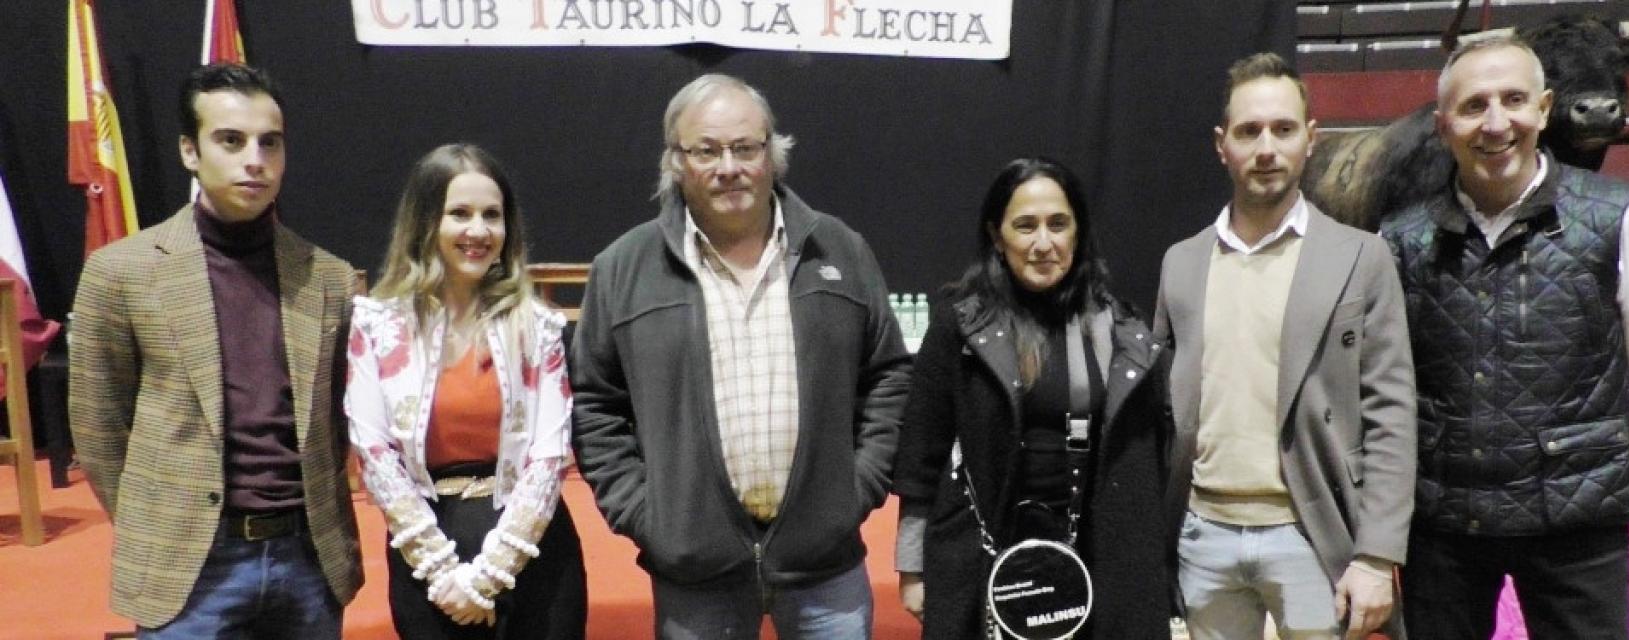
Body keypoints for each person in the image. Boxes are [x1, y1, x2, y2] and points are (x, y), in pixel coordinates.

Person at [569, 73, 911, 639]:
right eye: (706, 150)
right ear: (677, 162)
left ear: (772, 153)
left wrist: (855, 490)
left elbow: (888, 377)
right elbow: (594, 403)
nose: (728, 166)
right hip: (695, 576)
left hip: (825, 568)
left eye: (745, 147)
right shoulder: (622, 270)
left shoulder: (842, 250)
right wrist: (647, 516)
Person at [1384, 34, 1629, 639]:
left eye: (1513, 100)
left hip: (1577, 522)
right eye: (1473, 106)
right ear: (1443, 126)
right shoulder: (1400, 240)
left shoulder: (1622, 216)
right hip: (1446, 526)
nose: (1496, 123)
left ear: (1544, 109)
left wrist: (1576, 455)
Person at [68, 62, 362, 638]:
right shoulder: (120, 273)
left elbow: (337, 421)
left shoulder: (329, 277)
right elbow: (100, 426)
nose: (255, 159)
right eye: (231, 140)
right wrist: (155, 521)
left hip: (307, 558)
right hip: (189, 564)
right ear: (189, 150)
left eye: (269, 143)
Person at [1155, 52, 1416, 640]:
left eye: (1283, 129)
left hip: (1311, 532)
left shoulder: (1360, 257)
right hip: (1204, 533)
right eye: (1249, 132)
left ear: (1310, 139)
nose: (1266, 147)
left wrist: (1376, 556)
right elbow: (1164, 413)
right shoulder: (1182, 263)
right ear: (1223, 145)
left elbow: (1392, 415)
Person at [891, 157, 1175, 639]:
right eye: (1025, 226)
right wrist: (913, 569)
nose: (1044, 243)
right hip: (988, 560)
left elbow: (1149, 465)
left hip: (1096, 561)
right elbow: (922, 458)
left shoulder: (1121, 329)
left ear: (1079, 233)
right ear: (997, 237)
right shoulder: (959, 327)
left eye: (1058, 224)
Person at [345, 143, 587, 639]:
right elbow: (374, 455)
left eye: (491, 216)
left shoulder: (538, 328)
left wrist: (490, 575)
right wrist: (446, 575)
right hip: (428, 558)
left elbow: (547, 459)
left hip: (532, 552)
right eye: (460, 213)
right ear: (425, 222)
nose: (478, 231)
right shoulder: (376, 325)